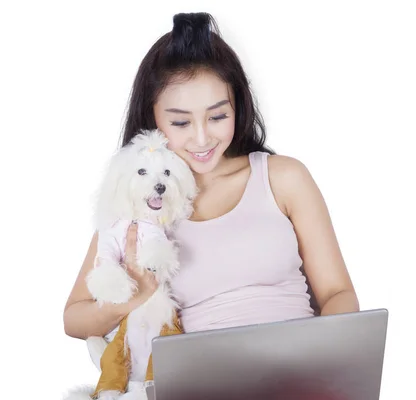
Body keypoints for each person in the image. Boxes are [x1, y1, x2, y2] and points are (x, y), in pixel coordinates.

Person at [63, 12, 359, 341]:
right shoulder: (141, 205)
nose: (202, 138)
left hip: (299, 374)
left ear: (237, 106)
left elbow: (337, 293)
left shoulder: (283, 178)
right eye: (180, 123)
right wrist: (130, 300)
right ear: (153, 119)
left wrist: (326, 356)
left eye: (217, 116)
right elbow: (75, 317)